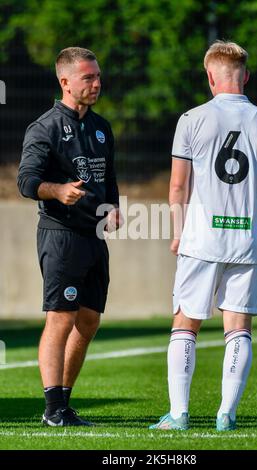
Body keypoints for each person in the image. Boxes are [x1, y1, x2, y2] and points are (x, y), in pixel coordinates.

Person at [150, 40, 257, 431]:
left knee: (185, 323)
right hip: (246, 242)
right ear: (246, 76)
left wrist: (177, 233)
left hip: (201, 239)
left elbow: (178, 186)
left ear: (210, 76)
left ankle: (179, 414)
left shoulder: (191, 119)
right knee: (239, 326)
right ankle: (227, 413)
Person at [18, 47, 121, 426]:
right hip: (60, 236)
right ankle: (53, 409)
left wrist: (113, 205)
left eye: (97, 76)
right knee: (61, 317)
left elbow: (107, 175)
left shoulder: (101, 127)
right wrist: (58, 190)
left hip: (94, 236)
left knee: (89, 320)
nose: (97, 83)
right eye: (87, 78)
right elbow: (26, 182)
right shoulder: (43, 127)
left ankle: (65, 402)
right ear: (65, 82)